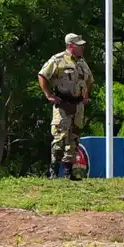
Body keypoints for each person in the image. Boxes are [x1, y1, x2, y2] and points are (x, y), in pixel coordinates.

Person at [37, 32, 94, 180]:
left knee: (73, 139)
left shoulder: (82, 62)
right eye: (79, 45)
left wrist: (86, 95)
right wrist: (49, 95)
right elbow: (43, 75)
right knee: (60, 138)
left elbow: (89, 79)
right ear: (71, 46)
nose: (82, 48)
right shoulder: (58, 60)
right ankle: (54, 172)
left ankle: (69, 172)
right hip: (62, 105)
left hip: (78, 105)